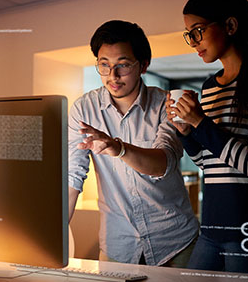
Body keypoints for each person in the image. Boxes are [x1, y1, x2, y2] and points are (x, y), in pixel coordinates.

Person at [166, 0, 248, 277]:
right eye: (189, 34)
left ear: (231, 25)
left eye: (198, 30)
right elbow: (209, 164)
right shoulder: (209, 88)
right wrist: (186, 132)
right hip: (212, 223)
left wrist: (201, 124)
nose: (193, 41)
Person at [68, 20, 199, 267]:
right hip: (118, 244)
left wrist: (119, 149)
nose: (113, 76)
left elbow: (164, 163)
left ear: (144, 65)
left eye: (123, 65)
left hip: (175, 242)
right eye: (104, 65)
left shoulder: (164, 105)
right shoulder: (84, 109)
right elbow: (72, 177)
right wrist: (54, 237)